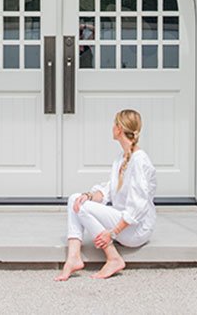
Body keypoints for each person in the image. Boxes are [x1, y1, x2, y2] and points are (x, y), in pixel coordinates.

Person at [55, 109, 156, 281]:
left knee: (80, 206)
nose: (112, 128)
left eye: (113, 124)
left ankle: (113, 258)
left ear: (118, 128)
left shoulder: (139, 161)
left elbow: (138, 206)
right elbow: (108, 191)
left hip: (137, 228)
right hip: (124, 221)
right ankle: (73, 257)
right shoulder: (122, 158)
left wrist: (112, 233)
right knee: (76, 199)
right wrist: (88, 195)